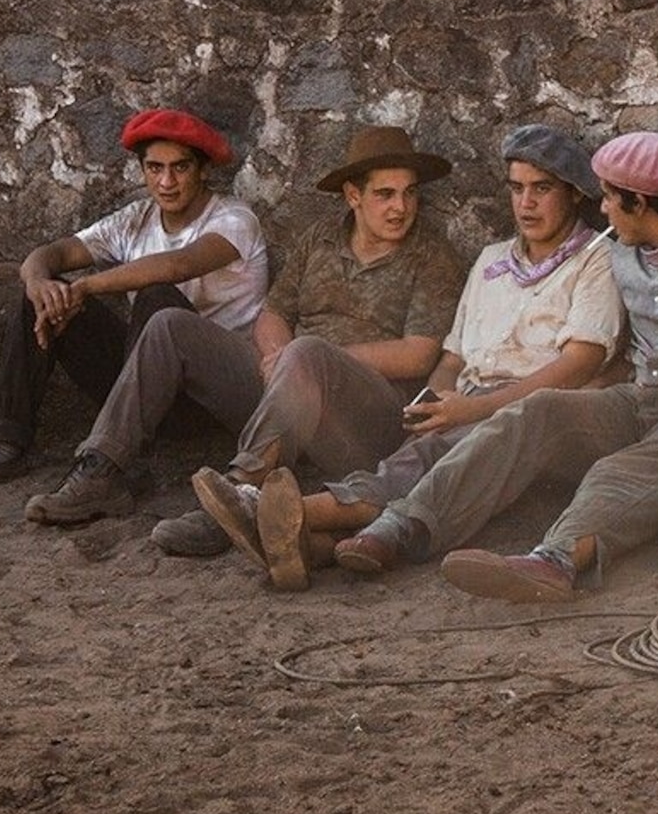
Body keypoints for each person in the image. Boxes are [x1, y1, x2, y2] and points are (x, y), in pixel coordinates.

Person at [237, 124, 621, 590]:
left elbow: (579, 363)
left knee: (433, 457)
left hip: (533, 408)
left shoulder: (595, 260)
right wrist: (436, 400)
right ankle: (311, 548)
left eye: (542, 189)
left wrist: (472, 408)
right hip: (467, 402)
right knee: (417, 452)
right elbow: (453, 358)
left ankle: (274, 511)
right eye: (517, 189)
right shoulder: (492, 260)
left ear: (574, 195)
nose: (527, 203)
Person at [430, 133, 658, 607]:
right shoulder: (620, 248)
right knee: (536, 411)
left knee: (616, 471)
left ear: (639, 203)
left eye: (611, 199)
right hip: (638, 397)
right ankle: (404, 525)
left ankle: (555, 562)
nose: (602, 211)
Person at [155, 123, 465, 562]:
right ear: (353, 196)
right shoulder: (319, 238)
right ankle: (100, 466)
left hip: (366, 421)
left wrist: (310, 359)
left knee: (308, 352)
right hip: (289, 389)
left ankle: (239, 494)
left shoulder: (433, 258)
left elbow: (419, 353)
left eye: (410, 193)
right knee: (170, 324)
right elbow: (274, 313)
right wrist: (280, 359)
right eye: (386, 194)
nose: (401, 207)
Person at [0, 107, 265, 505]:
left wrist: (86, 287)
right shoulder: (135, 220)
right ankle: (8, 444)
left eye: (180, 168)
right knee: (42, 294)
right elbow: (47, 254)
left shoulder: (234, 219)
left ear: (203, 171)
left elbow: (177, 265)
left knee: (156, 297)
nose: (167, 181)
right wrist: (41, 283)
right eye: (154, 168)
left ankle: (113, 465)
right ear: (141, 170)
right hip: (140, 383)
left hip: (209, 395)